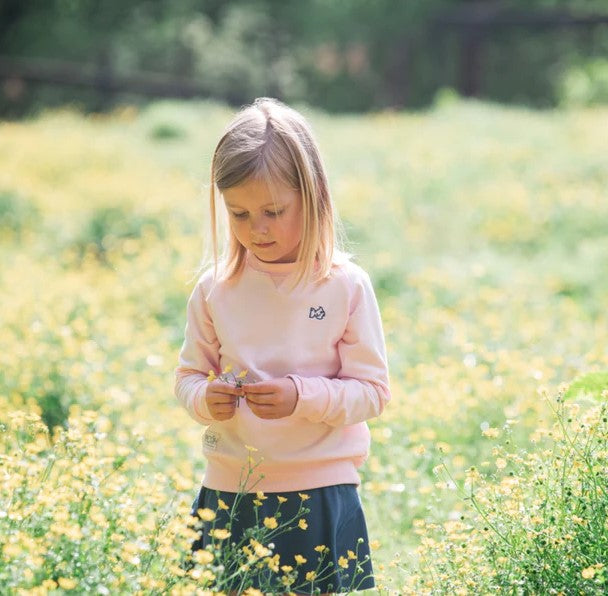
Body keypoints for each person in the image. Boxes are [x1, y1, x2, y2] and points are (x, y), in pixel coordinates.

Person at [174, 97, 390, 594]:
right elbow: (187, 377)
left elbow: (373, 392)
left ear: (313, 195)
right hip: (230, 488)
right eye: (239, 214)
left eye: (273, 211)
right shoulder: (214, 289)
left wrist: (302, 397)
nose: (257, 229)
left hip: (320, 489)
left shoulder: (345, 286)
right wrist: (206, 398)